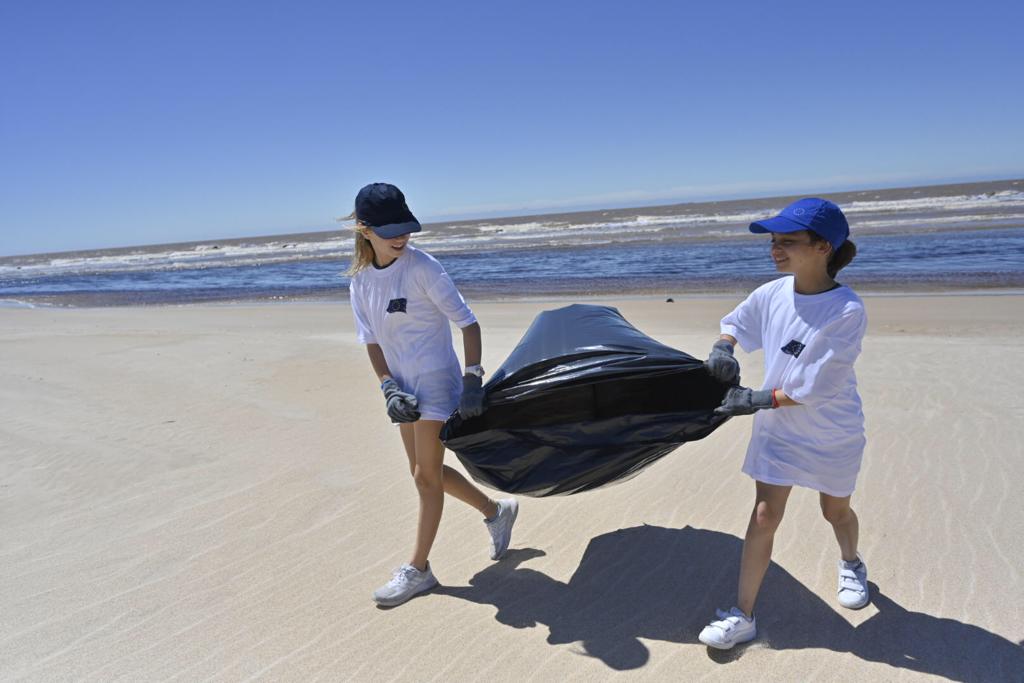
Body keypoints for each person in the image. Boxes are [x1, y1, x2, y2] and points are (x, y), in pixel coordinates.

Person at [697, 198, 868, 649]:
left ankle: (850, 561)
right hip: (779, 429)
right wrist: (724, 347)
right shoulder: (773, 292)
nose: (776, 249)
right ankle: (742, 614)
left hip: (832, 431)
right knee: (764, 515)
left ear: (822, 246)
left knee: (836, 511)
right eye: (773, 241)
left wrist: (752, 399)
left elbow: (817, 387)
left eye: (787, 241)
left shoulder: (847, 310)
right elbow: (737, 321)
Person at [347, 182, 519, 607]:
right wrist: (386, 385)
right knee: (424, 473)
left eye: (406, 228)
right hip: (403, 388)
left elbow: (469, 324)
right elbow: (371, 341)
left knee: (425, 477)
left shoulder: (423, 268)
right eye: (391, 231)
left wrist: (473, 379)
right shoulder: (360, 283)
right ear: (364, 229)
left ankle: (419, 570)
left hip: (438, 382)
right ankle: (497, 512)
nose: (402, 238)